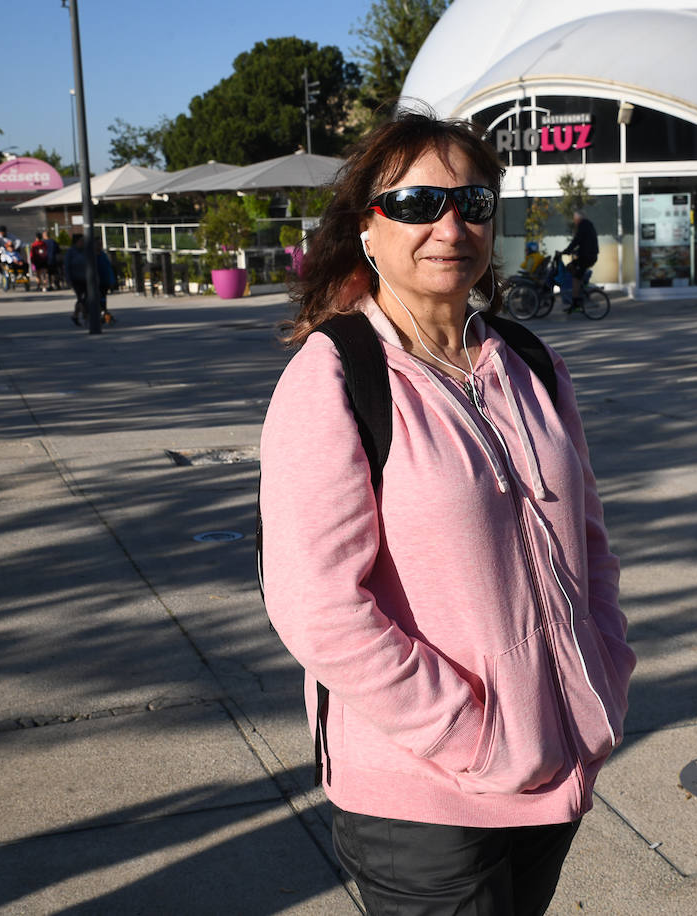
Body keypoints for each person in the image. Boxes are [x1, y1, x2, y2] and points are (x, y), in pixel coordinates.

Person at [259, 111, 635, 915]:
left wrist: (607, 664)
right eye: (418, 203)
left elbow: (589, 543)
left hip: (553, 764)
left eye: (472, 201)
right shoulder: (334, 375)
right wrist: (473, 733)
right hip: (423, 796)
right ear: (367, 226)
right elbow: (317, 606)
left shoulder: (529, 362)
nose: (451, 225)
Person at [562, 208, 598, 312]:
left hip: (587, 257)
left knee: (576, 275)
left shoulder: (583, 225)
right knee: (571, 268)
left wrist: (567, 250)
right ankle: (580, 288)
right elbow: (583, 241)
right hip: (587, 256)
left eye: (575, 219)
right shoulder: (587, 224)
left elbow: (577, 240)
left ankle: (577, 300)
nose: (574, 221)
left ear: (578, 218)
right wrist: (571, 251)